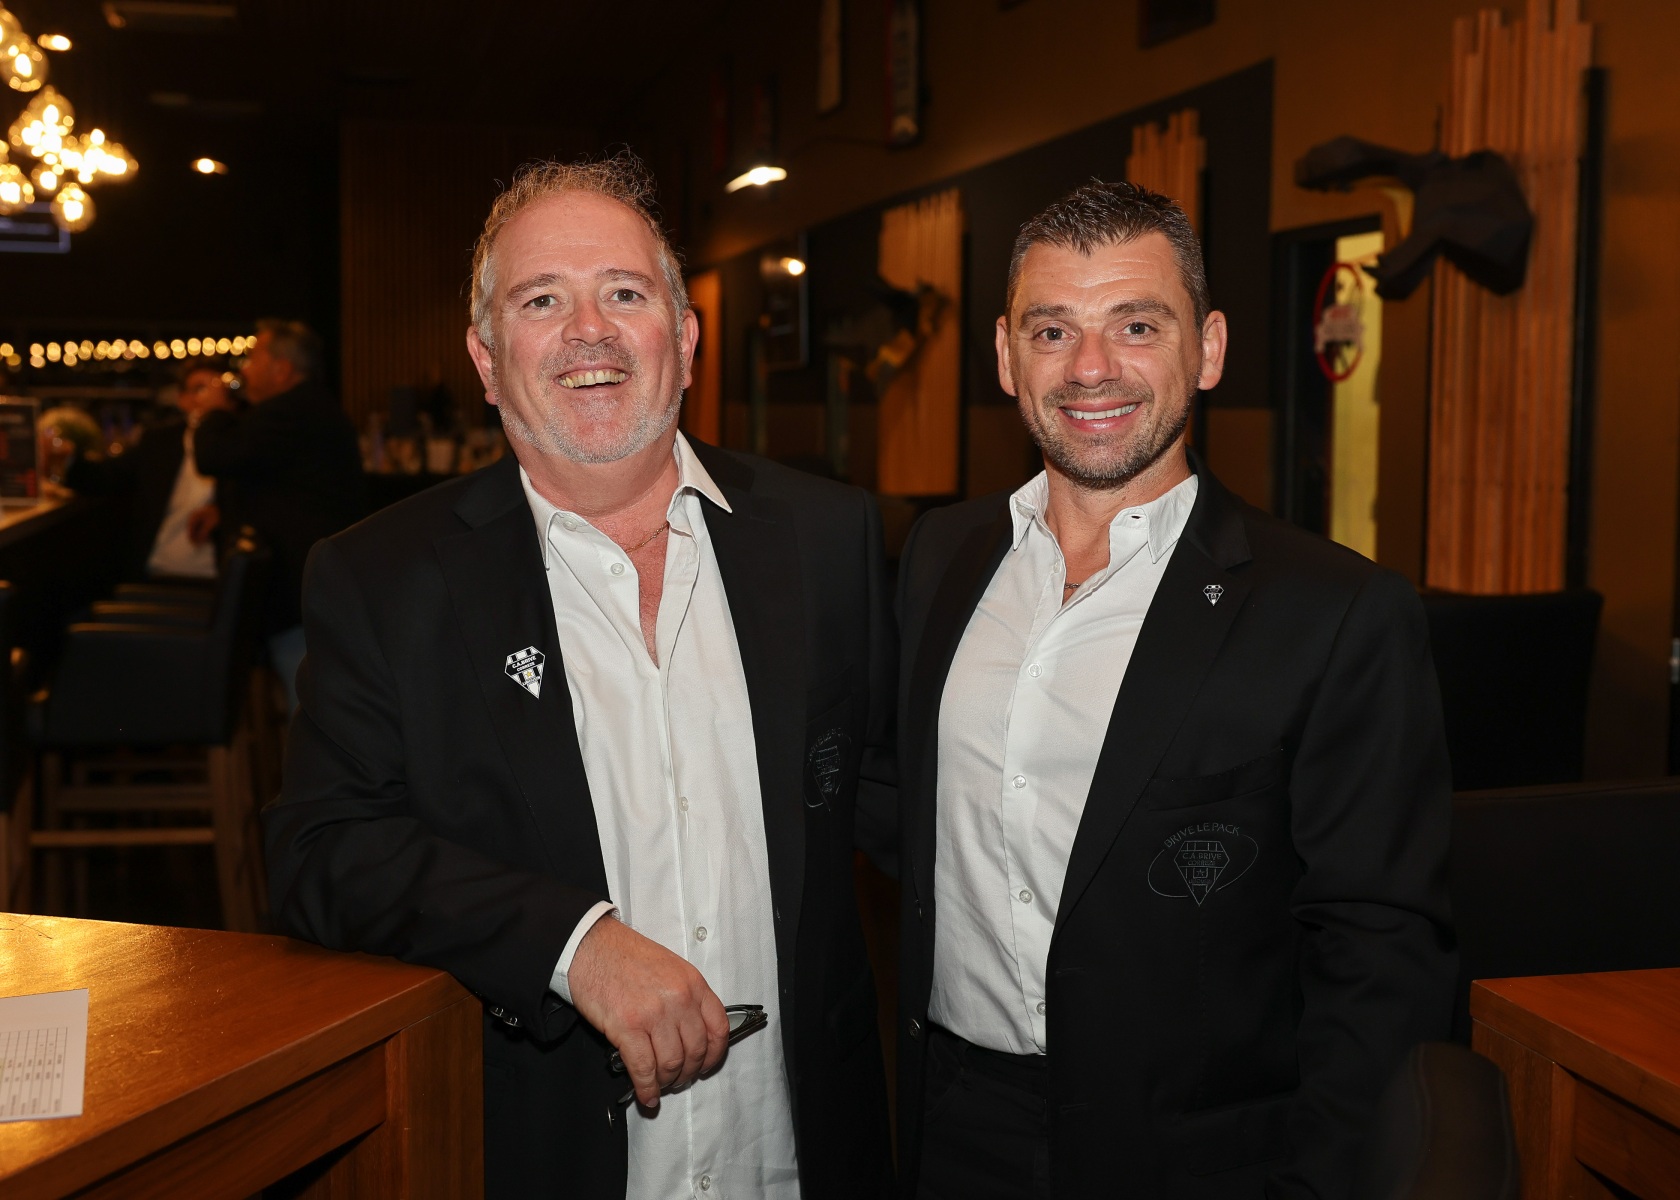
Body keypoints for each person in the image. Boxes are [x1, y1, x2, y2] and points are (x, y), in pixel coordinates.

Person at [263, 155, 895, 1199]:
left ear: (683, 338)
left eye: (625, 294)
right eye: (542, 300)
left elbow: (898, 796)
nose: (589, 331)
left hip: (799, 1157)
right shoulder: (383, 578)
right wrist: (573, 944)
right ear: (486, 359)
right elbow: (322, 849)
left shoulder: (825, 539)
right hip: (548, 1157)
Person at [893, 182, 1456, 1198]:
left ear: (1209, 349)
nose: (1090, 367)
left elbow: (1381, 953)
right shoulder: (941, 557)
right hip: (952, 1127)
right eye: (1052, 330)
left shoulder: (1334, 611)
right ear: (1007, 357)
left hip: (1199, 1163)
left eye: (1137, 325)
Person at [194, 319, 365, 711]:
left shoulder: (291, 411)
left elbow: (216, 455)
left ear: (282, 369)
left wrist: (214, 413)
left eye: (254, 359)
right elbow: (278, 478)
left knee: (307, 702)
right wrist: (223, 509)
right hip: (308, 576)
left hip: (299, 581)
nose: (245, 369)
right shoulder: (305, 407)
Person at [65, 361, 231, 582]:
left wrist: (223, 513)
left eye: (219, 390)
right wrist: (65, 459)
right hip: (156, 572)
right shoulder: (160, 442)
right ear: (182, 399)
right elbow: (105, 477)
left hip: (217, 579)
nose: (210, 397)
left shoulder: (242, 446)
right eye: (200, 389)